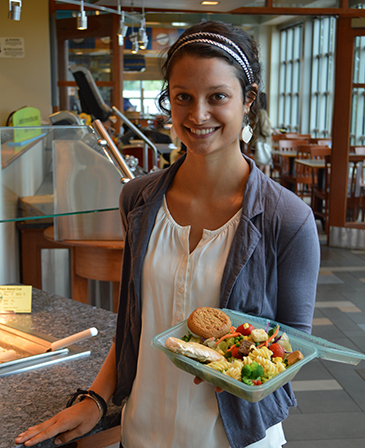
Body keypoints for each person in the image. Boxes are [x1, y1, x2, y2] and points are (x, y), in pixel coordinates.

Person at [16, 20, 320, 448]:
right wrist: (96, 400)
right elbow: (134, 322)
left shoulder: (286, 218)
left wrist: (237, 368)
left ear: (248, 100)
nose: (197, 115)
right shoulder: (139, 200)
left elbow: (293, 346)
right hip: (143, 429)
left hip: (235, 437)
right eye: (183, 97)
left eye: (218, 97)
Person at [252, 92, 273, 176]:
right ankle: (261, 188)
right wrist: (271, 131)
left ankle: (261, 187)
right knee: (264, 167)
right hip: (263, 143)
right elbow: (264, 130)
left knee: (263, 166)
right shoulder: (262, 113)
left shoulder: (256, 112)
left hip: (258, 142)